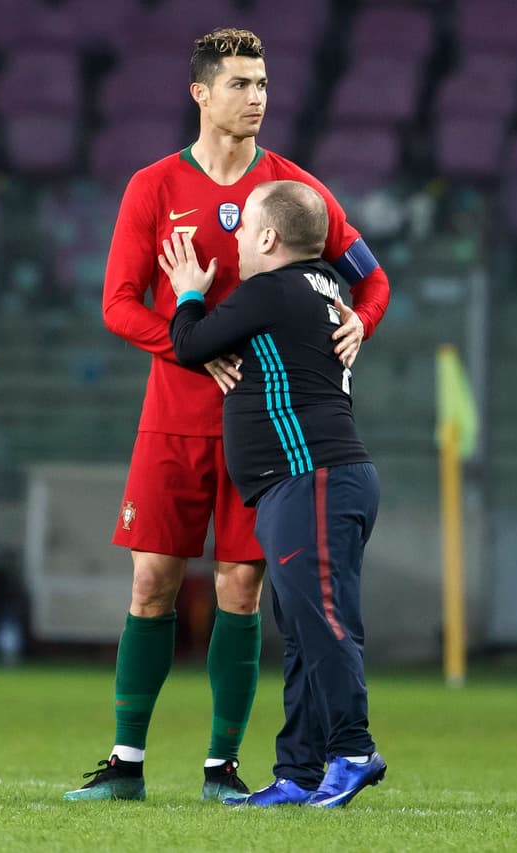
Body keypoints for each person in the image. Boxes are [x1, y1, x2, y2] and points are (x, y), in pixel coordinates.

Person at [65, 28, 389, 803]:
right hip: (172, 418)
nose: (257, 98)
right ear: (200, 94)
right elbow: (116, 304)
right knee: (151, 583)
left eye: (264, 83)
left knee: (242, 590)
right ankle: (125, 762)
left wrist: (362, 323)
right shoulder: (153, 188)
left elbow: (370, 279)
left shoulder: (291, 190)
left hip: (267, 433)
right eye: (241, 83)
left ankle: (222, 767)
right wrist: (191, 352)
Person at [161, 179, 386, 808]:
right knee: (305, 625)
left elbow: (190, 346)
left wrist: (188, 294)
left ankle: (354, 749)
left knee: (322, 623)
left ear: (268, 237)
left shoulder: (271, 290)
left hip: (309, 477)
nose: (233, 238)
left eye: (242, 228)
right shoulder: (326, 289)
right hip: (322, 480)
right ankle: (299, 772)